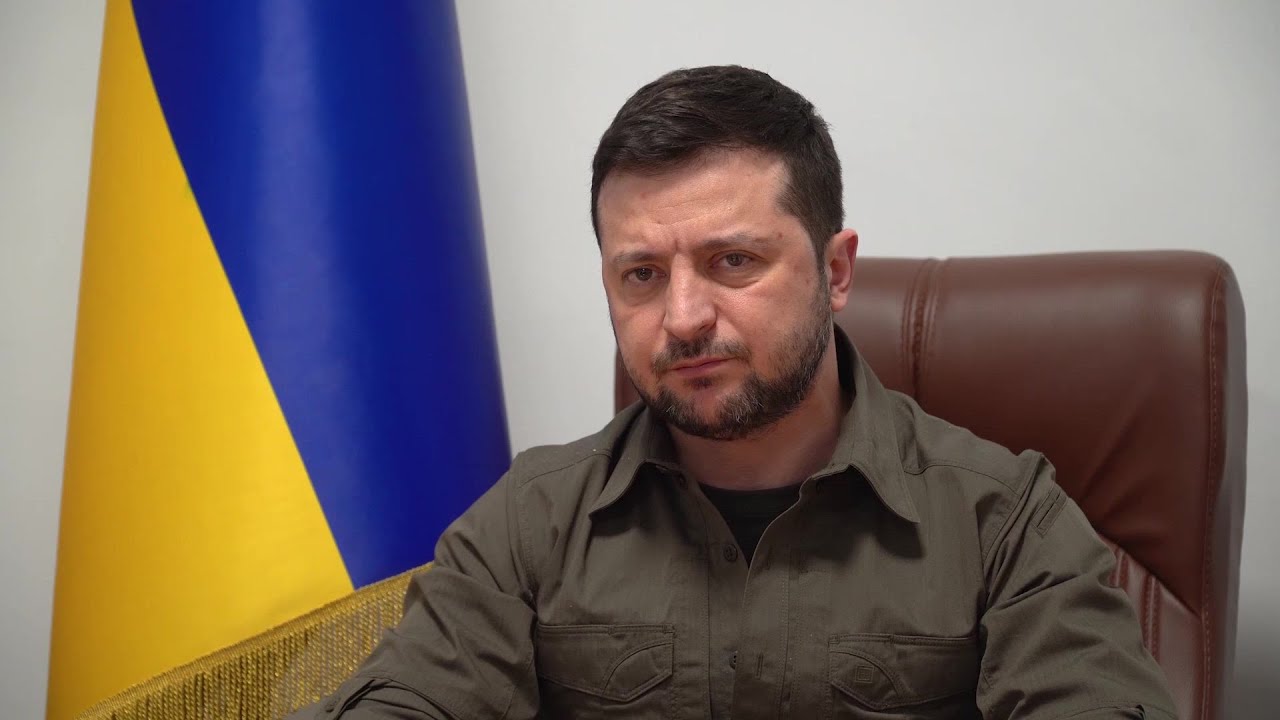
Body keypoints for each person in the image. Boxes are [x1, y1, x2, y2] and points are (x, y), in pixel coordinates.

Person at [300, 65, 1177, 719]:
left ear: (836, 272)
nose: (683, 317)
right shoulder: (531, 521)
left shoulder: (1006, 522)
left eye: (733, 261)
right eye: (642, 274)